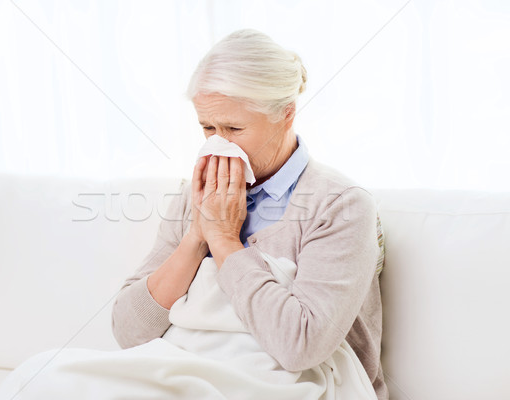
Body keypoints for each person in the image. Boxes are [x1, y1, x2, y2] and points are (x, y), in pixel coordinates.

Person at [112, 29, 388, 399]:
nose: (217, 144)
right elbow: (129, 333)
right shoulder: (196, 193)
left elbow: (300, 347)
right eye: (207, 128)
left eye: (234, 128)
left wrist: (224, 239)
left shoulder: (340, 204)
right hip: (187, 375)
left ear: (286, 115)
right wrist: (197, 236)